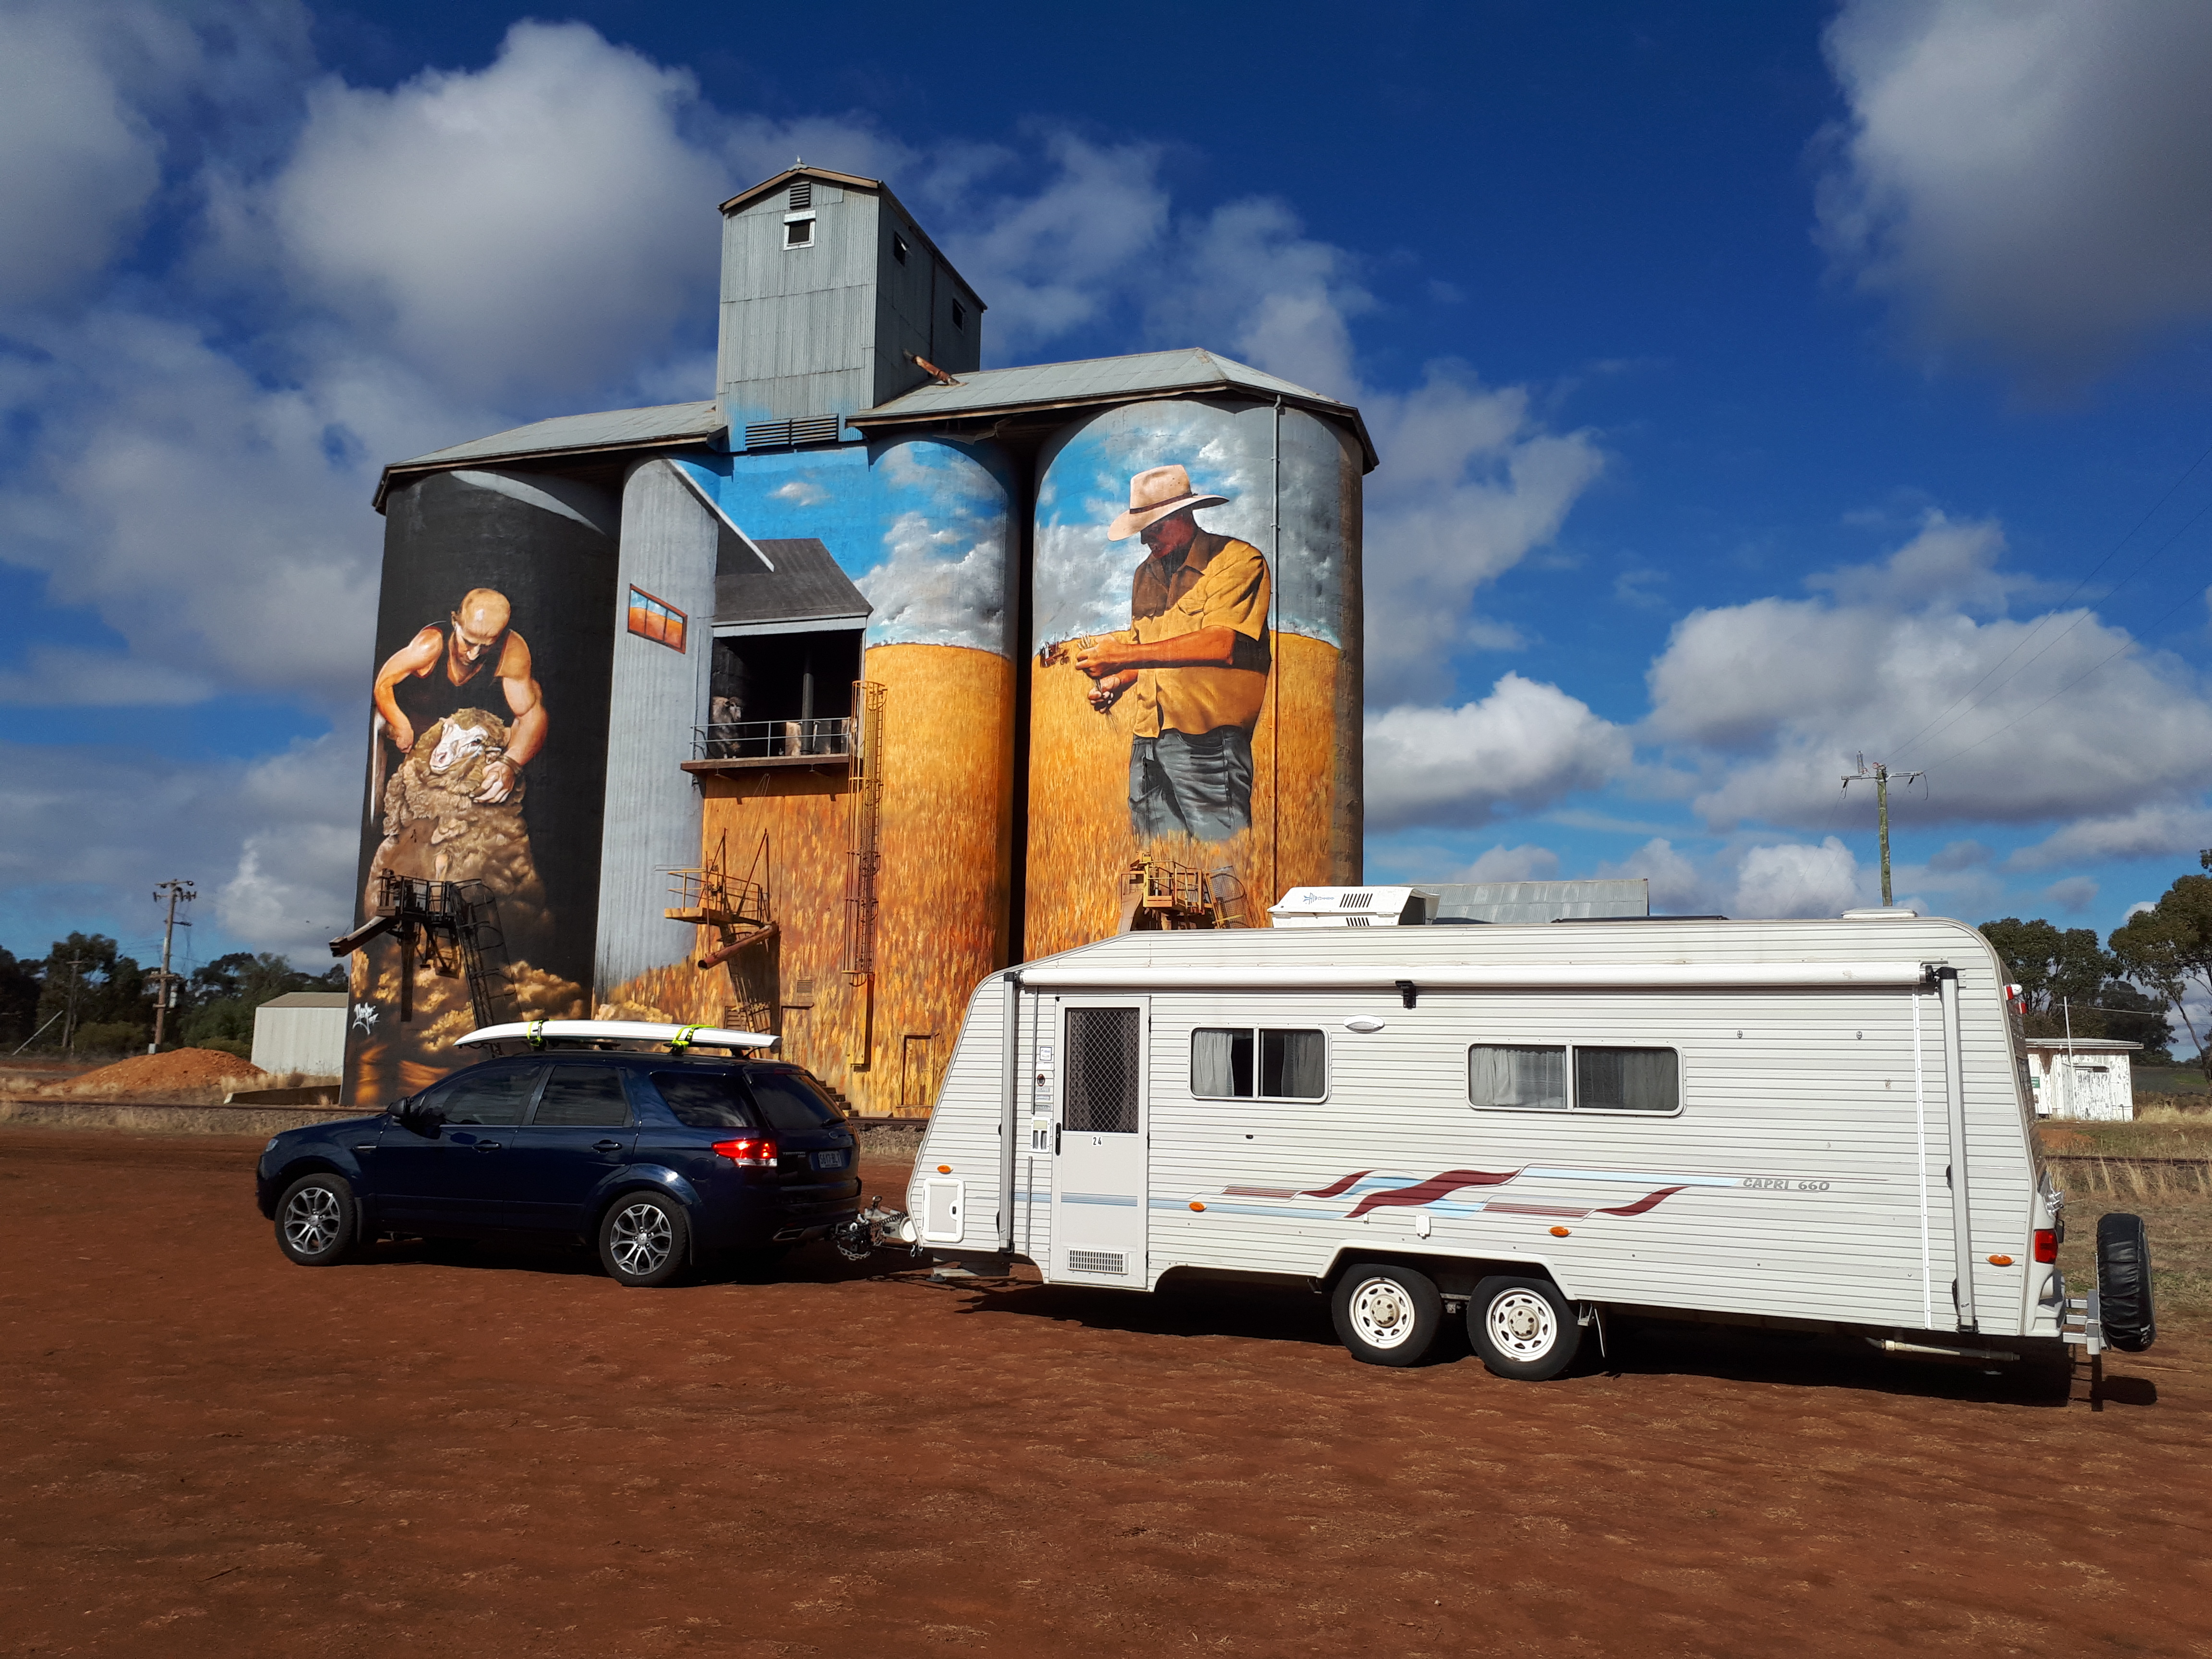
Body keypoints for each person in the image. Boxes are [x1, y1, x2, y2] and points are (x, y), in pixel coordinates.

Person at [1072, 465, 1270, 841]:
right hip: (1147, 738)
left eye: (1155, 527)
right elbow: (1146, 651)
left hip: (1209, 739)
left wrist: (1123, 657)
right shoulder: (1145, 574)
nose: (1146, 538)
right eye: (1142, 529)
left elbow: (1221, 644)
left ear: (1183, 516)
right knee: (1159, 866)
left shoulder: (1238, 562)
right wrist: (1117, 681)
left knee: (1223, 858)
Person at [372, 587, 544, 805]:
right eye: (469, 642)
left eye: (485, 646)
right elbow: (383, 683)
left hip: (468, 753)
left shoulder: (512, 651)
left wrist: (510, 763)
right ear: (456, 622)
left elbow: (531, 715)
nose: (473, 654)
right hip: (414, 743)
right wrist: (401, 724)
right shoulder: (430, 645)